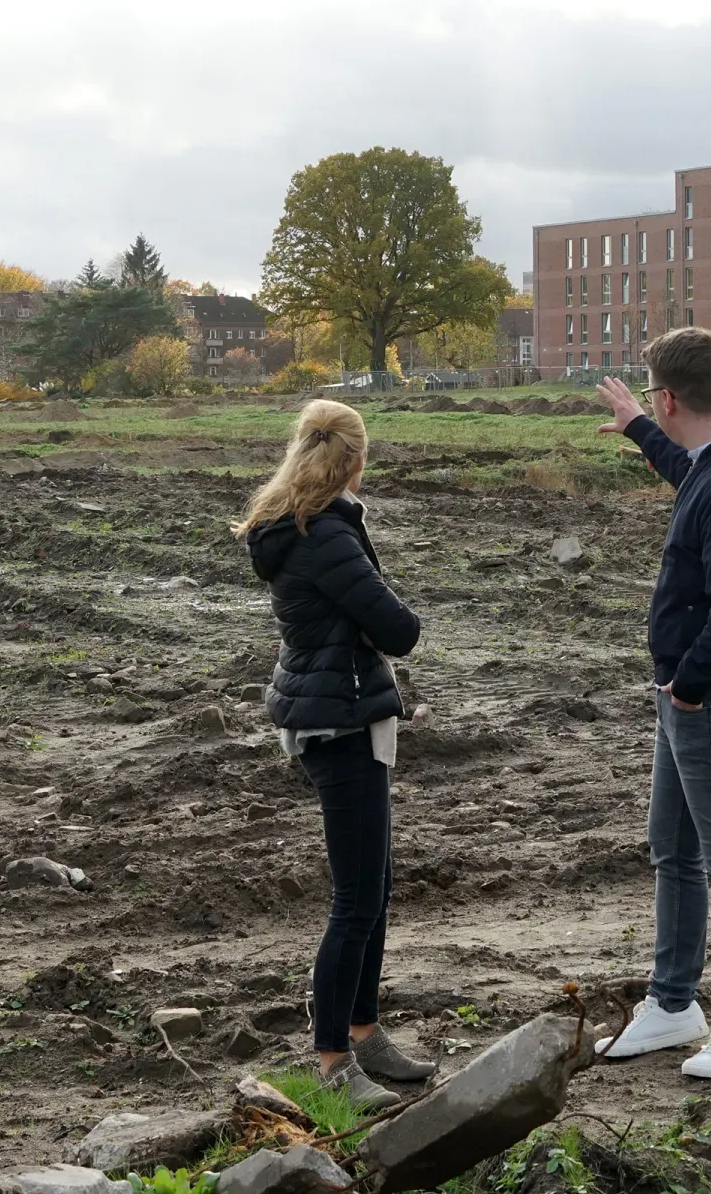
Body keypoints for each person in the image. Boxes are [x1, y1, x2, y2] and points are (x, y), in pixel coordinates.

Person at [593, 328, 711, 1079]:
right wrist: (638, 429)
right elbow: (686, 469)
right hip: (693, 697)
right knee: (674, 850)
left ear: (671, 396)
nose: (652, 409)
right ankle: (673, 1004)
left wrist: (690, 683)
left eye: (652, 401)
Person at [235, 399, 435, 1111]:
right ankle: (333, 1062)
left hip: (334, 713)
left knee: (374, 890)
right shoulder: (327, 536)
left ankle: (365, 1033)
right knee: (356, 900)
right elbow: (400, 629)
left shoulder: (300, 527)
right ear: (353, 460)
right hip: (341, 723)